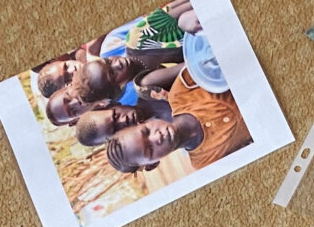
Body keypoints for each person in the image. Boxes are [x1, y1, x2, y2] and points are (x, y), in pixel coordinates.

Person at [105, 66, 252, 175]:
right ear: (152, 164)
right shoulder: (205, 163)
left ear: (144, 122)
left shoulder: (182, 91)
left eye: (146, 132)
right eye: (149, 150)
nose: (157, 137)